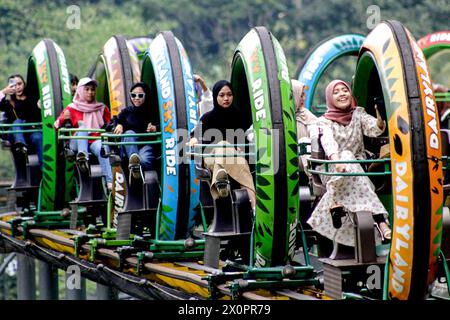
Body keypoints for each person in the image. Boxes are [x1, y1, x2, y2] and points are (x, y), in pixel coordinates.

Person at [306, 79, 391, 248]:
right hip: (332, 168)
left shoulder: (358, 114)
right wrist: (336, 159)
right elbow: (328, 141)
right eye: (336, 92)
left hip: (356, 168)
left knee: (350, 159)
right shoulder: (323, 122)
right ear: (330, 98)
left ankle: (335, 202)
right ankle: (381, 222)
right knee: (345, 156)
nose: (341, 94)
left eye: (344, 90)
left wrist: (380, 115)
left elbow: (374, 128)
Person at [189, 80, 256, 211]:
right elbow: (194, 136)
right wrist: (193, 140)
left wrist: (240, 148)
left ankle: (220, 183)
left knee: (227, 148)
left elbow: (249, 139)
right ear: (215, 96)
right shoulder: (207, 118)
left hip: (236, 158)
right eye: (222, 95)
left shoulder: (241, 117)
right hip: (211, 159)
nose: (226, 98)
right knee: (223, 145)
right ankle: (254, 205)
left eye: (229, 94)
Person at [54, 77, 112, 189]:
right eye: (87, 89)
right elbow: (56, 125)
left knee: (102, 148)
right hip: (77, 141)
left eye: (92, 89)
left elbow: (110, 124)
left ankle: (109, 182)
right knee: (82, 129)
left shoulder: (101, 108)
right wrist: (64, 119)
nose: (90, 92)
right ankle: (82, 157)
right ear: (81, 90)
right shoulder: (71, 108)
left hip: (95, 139)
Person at [110, 82, 158, 177]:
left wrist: (155, 128)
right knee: (129, 133)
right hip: (129, 147)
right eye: (133, 95)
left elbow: (162, 125)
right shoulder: (126, 112)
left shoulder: (153, 112)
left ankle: (137, 170)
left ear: (146, 96)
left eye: (140, 95)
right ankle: (134, 163)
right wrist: (119, 125)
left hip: (145, 145)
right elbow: (113, 123)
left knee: (144, 160)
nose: (136, 98)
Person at [0, 74, 43, 165]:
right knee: (17, 122)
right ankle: (20, 144)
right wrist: (4, 92)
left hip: (31, 130)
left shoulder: (32, 100)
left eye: (19, 84)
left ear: (24, 84)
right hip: (15, 133)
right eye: (14, 85)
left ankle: (45, 170)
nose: (18, 87)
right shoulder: (8, 103)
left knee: (38, 137)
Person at [292, 79, 317, 171]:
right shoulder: (276, 115)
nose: (304, 98)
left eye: (303, 94)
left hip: (304, 168)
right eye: (300, 95)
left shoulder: (305, 114)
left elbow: (317, 129)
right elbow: (251, 133)